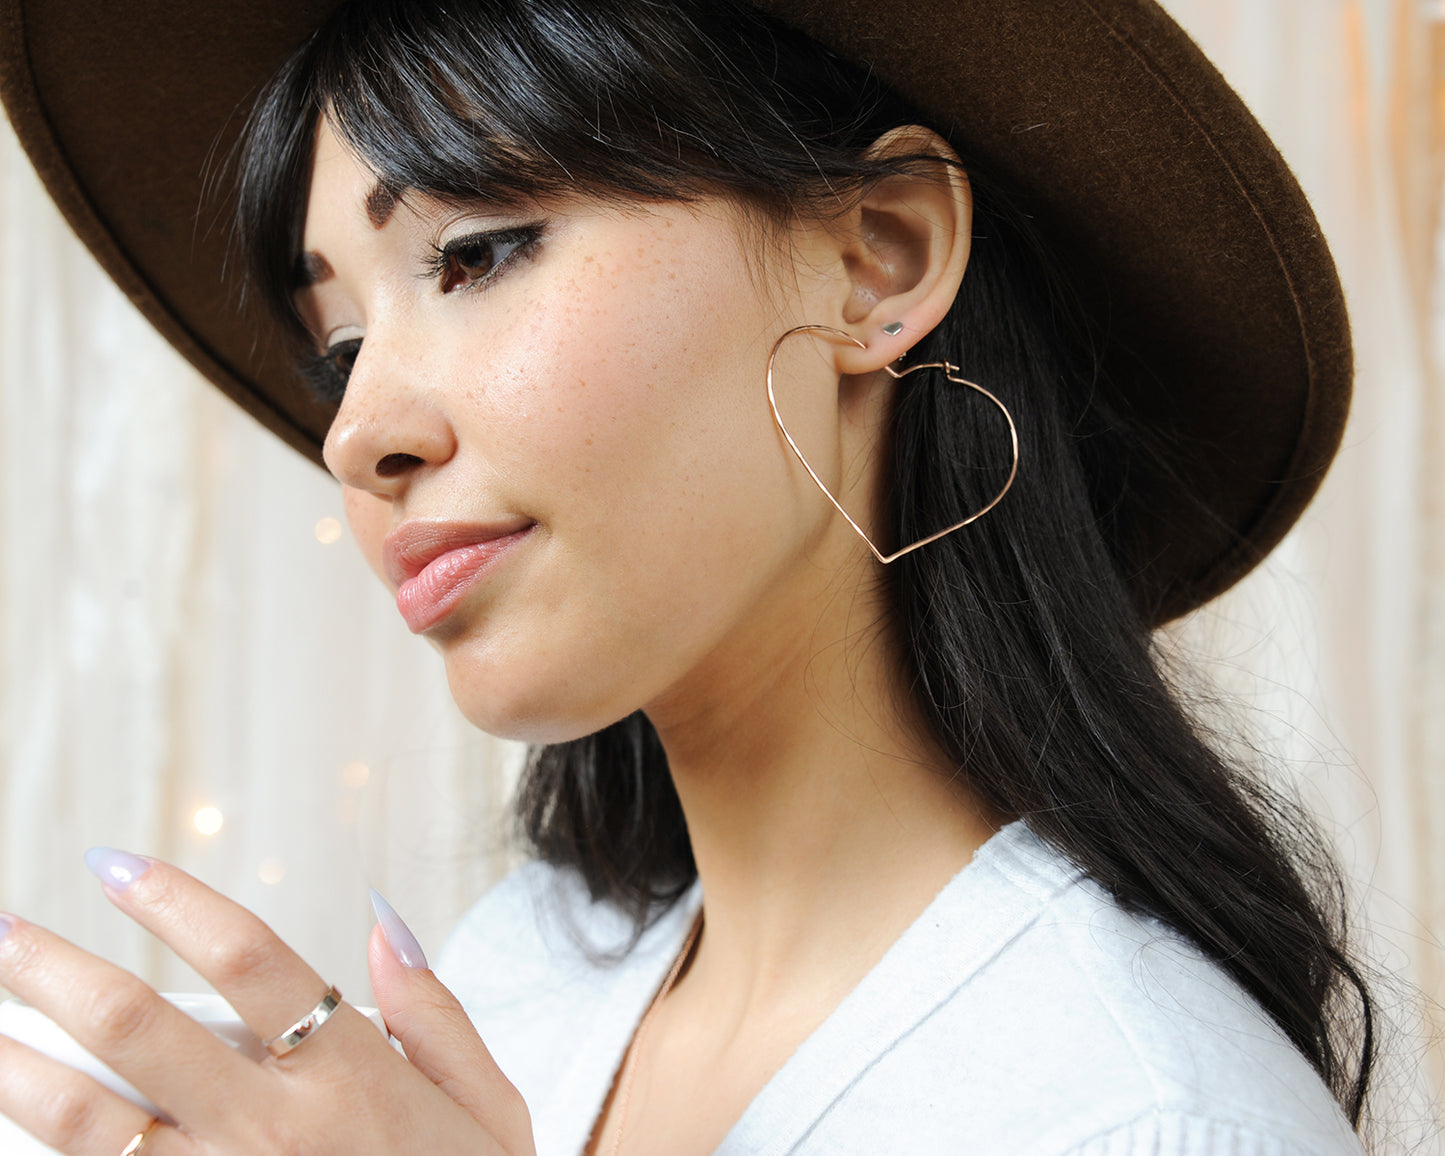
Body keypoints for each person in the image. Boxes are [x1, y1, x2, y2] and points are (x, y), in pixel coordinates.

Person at [0, 0, 1381, 1152]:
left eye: (475, 254)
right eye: (338, 348)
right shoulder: (524, 970)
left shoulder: (1136, 1109)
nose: (358, 434)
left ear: (872, 261)